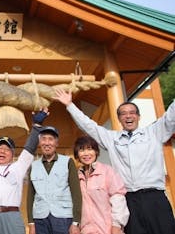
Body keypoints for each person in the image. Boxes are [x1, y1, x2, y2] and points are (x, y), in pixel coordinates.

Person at [54, 88, 175, 234]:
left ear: (138, 116)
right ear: (119, 119)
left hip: (154, 198)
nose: (128, 116)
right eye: (123, 114)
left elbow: (171, 116)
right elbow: (89, 126)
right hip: (129, 200)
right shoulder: (112, 139)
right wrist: (70, 105)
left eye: (132, 113)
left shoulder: (154, 132)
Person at [27, 125, 82, 234]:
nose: (47, 143)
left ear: (56, 143)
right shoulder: (33, 166)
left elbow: (76, 193)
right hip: (40, 218)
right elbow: (30, 197)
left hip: (63, 217)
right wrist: (31, 223)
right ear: (39, 143)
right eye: (43, 139)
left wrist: (76, 222)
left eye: (51, 139)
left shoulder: (68, 162)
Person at [73, 135, 129, 234]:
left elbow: (118, 200)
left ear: (96, 152)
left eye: (90, 149)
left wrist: (116, 226)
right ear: (77, 154)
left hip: (108, 229)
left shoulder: (108, 171)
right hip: (86, 231)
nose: (86, 154)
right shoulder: (76, 178)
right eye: (81, 150)